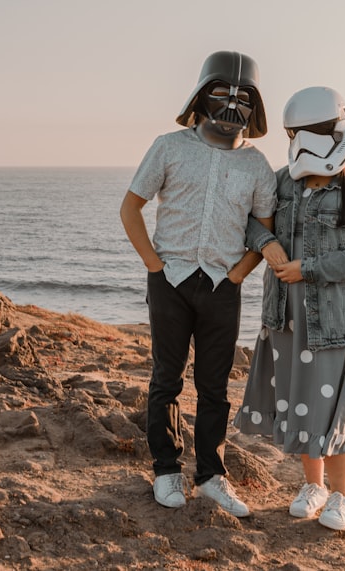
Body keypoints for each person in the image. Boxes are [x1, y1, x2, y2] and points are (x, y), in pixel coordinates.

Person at [120, 50, 277, 518]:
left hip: (222, 288)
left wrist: (236, 277)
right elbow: (131, 208)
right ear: (201, 94)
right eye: (221, 92)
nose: (231, 104)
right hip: (169, 280)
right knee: (166, 379)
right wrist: (154, 267)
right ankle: (166, 468)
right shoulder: (168, 147)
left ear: (255, 103)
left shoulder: (258, 167)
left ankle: (211, 476)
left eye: (242, 96)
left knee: (215, 388)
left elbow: (263, 230)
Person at [234, 86, 345, 530]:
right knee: (299, 402)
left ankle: (342, 496)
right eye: (295, 132)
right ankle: (313, 486)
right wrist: (267, 244)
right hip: (285, 314)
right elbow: (250, 219)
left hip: (336, 320)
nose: (300, 139)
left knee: (332, 408)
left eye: (309, 131)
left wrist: (310, 269)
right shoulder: (282, 182)